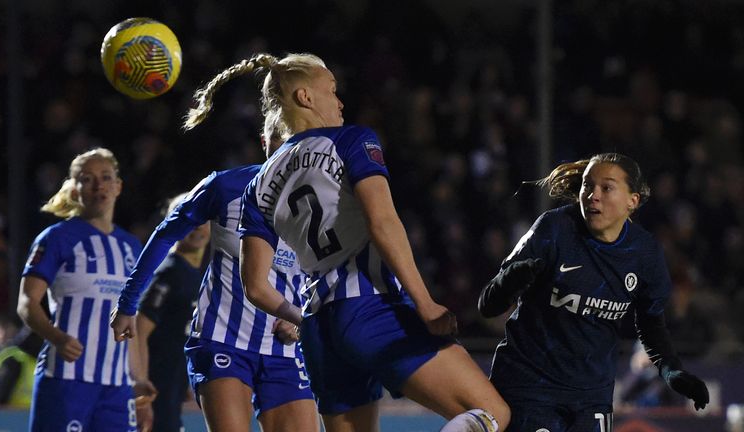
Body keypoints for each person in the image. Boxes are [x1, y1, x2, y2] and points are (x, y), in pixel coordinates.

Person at [181, 52, 510, 432]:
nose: (339, 101)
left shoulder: (258, 184)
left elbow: (254, 285)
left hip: (320, 329)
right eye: (332, 91)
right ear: (305, 97)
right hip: (373, 307)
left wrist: (300, 320)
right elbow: (383, 223)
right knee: (491, 413)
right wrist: (425, 304)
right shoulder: (352, 139)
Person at [478, 153, 709, 432]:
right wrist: (510, 281)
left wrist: (672, 371)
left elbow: (650, 325)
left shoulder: (644, 254)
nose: (592, 195)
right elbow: (488, 305)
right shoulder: (554, 229)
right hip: (530, 387)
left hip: (592, 397)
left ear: (631, 201)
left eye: (606, 187)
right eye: (588, 186)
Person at [110, 132, 319, 431]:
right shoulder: (226, 186)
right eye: (280, 138)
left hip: (284, 350)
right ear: (265, 141)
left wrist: (301, 319)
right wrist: (128, 302)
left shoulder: (322, 206)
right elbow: (167, 233)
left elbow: (326, 274)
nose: (288, 150)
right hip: (223, 340)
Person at [17, 147, 155, 432]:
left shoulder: (131, 247)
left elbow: (130, 323)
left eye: (106, 177)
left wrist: (138, 379)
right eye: (88, 178)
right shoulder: (56, 238)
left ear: (118, 187)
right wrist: (55, 336)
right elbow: (27, 302)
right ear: (75, 189)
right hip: (66, 379)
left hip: (117, 388)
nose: (99, 185)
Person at [133, 193, 210, 432]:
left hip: (173, 383)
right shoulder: (169, 271)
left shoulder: (195, 273)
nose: (196, 227)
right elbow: (138, 329)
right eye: (187, 220)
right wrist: (141, 382)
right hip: (157, 385)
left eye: (201, 219)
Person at [0, 315, 40, 409]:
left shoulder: (12, 357)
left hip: (2, 418)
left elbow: (0, 394)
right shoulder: (36, 357)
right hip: (25, 415)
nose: (2, 334)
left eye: (6, 327)